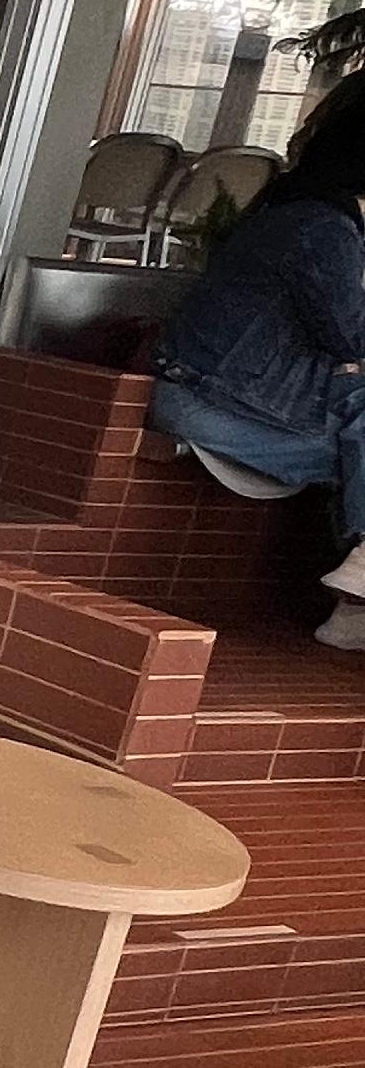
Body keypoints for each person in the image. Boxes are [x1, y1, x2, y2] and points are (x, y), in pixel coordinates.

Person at [149, 75, 365, 652]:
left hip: (218, 393)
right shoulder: (322, 227)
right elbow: (350, 337)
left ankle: (358, 594)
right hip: (216, 406)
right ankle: (358, 590)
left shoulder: (297, 207)